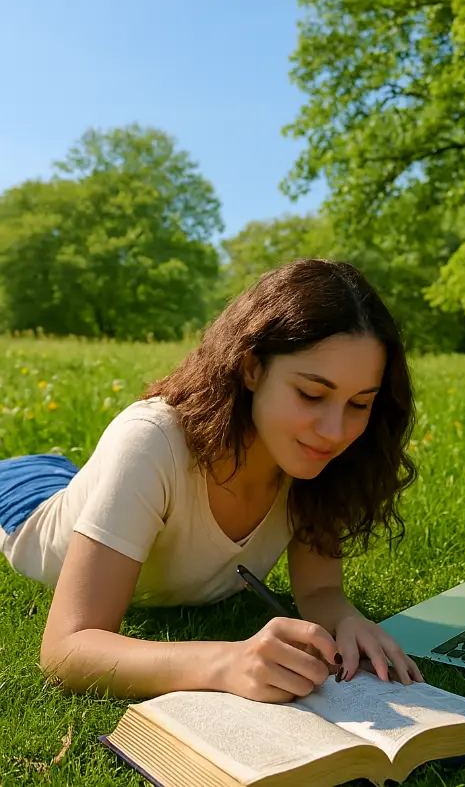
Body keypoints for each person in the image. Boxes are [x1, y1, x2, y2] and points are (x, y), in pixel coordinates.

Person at [0, 259, 423, 702]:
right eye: (311, 394)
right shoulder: (152, 442)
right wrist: (225, 662)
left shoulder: (313, 459)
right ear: (252, 367)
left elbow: (320, 589)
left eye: (359, 404)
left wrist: (346, 619)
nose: (336, 431)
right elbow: (68, 648)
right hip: (25, 502)